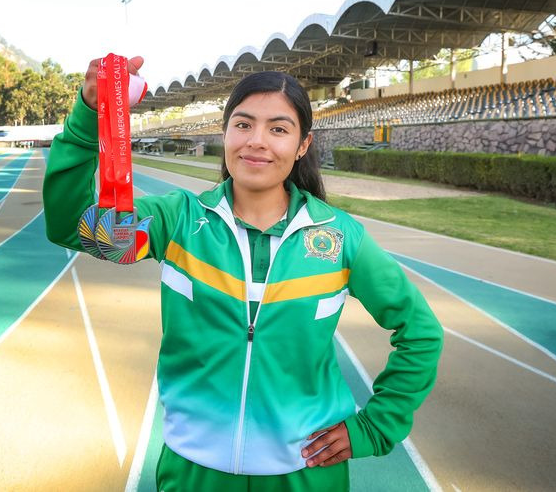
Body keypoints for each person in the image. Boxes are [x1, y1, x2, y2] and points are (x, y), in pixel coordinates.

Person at [43, 56, 443, 491]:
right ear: (225, 132)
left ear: (303, 144)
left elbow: (420, 331)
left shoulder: (339, 238)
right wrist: (90, 114)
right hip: (194, 471)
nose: (257, 141)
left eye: (278, 129)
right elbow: (73, 226)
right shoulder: (178, 222)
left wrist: (376, 425)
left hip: (307, 474)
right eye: (244, 124)